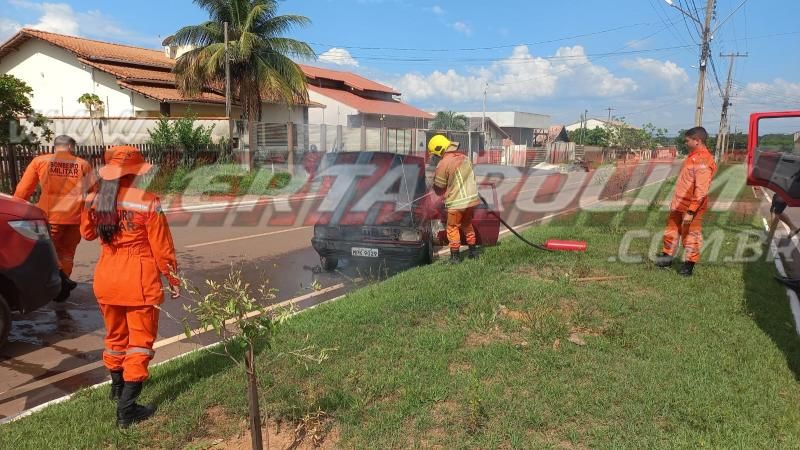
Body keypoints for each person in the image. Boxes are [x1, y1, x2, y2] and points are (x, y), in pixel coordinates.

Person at [80, 145, 180, 428]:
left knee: (115, 337)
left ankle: (116, 388)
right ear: (137, 173)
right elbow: (162, 248)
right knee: (139, 344)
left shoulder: (96, 199)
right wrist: (173, 279)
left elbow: (86, 233)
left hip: (106, 279)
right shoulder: (147, 201)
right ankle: (127, 408)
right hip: (138, 281)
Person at [14, 135, 96, 300]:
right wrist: (87, 211)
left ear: (55, 147)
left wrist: (16, 208)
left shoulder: (40, 161)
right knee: (67, 253)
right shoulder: (83, 164)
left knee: (48, 252)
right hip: (74, 218)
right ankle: (61, 290)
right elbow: (95, 191)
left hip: (49, 217)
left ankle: (60, 281)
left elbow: (23, 191)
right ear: (71, 148)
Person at [655, 127, 718, 276]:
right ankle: (667, 257)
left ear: (697, 141)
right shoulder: (692, 156)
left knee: (690, 235)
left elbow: (701, 189)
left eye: (687, 140)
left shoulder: (703, 160)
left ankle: (688, 265)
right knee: (671, 231)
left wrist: (691, 211)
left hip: (691, 207)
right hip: (679, 204)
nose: (685, 142)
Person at [429, 134, 480, 264]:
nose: (435, 156)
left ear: (439, 149)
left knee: (452, 228)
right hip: (472, 200)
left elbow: (439, 187)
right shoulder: (465, 158)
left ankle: (455, 257)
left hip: (457, 203)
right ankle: (473, 252)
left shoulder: (444, 163)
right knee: (467, 225)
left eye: (435, 153)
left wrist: (433, 186)